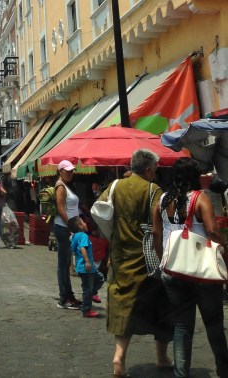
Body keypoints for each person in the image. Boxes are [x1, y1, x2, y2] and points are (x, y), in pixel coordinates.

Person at [98, 148, 172, 377]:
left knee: (123, 307)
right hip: (148, 259)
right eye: (155, 170)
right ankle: (162, 357)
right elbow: (161, 228)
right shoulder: (154, 191)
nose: (156, 173)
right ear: (148, 169)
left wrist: (113, 235)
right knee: (162, 305)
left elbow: (99, 212)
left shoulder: (115, 186)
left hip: (121, 257)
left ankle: (118, 359)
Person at [153, 157, 228, 378]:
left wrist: (163, 260)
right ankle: (224, 370)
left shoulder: (162, 200)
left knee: (182, 326)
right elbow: (213, 231)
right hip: (201, 271)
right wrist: (223, 248)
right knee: (214, 323)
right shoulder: (199, 198)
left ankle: (181, 373)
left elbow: (156, 233)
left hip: (173, 270)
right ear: (194, 176)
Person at [54, 160, 82, 310]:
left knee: (66, 263)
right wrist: (70, 226)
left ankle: (69, 295)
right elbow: (60, 209)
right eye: (68, 171)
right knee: (63, 265)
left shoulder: (66, 186)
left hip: (67, 228)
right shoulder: (60, 186)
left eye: (72, 171)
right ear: (61, 171)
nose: (70, 173)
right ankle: (63, 298)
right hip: (63, 228)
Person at [68, 216, 104, 319]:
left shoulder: (75, 236)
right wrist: (87, 262)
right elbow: (83, 248)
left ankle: (93, 293)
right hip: (86, 267)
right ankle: (86, 310)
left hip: (82, 267)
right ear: (80, 226)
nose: (85, 224)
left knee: (100, 278)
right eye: (83, 222)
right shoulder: (83, 236)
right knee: (87, 289)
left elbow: (70, 239)